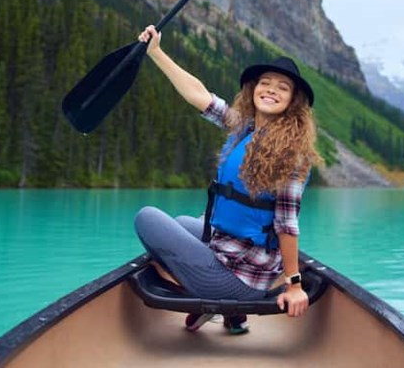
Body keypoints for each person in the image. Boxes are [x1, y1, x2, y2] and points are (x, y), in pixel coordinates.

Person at [133, 24, 321, 335]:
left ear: (293, 101)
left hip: (240, 281)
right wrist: (156, 53)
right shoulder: (245, 129)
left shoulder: (293, 155)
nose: (271, 89)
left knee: (147, 218)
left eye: (282, 87)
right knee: (181, 221)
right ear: (254, 89)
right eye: (266, 83)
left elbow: (287, 225)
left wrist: (294, 284)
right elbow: (200, 96)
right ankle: (232, 316)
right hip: (235, 255)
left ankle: (220, 303)